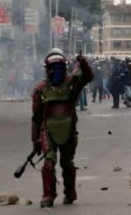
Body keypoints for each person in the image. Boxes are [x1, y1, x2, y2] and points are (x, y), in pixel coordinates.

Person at [31, 48, 94, 208]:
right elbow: (36, 117)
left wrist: (83, 62)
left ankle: (69, 193)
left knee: (66, 163)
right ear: (48, 70)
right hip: (48, 131)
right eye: (54, 69)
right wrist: (35, 140)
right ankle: (48, 195)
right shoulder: (41, 89)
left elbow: (88, 77)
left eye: (59, 68)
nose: (56, 72)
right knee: (49, 162)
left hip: (68, 129)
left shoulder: (71, 84)